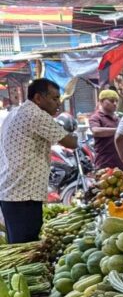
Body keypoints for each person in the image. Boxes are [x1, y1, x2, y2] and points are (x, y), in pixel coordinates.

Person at [0, 79, 77, 243]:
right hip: (23, 195)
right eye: (54, 98)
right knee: (26, 247)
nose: (58, 103)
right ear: (38, 98)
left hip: (11, 192)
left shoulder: (16, 112)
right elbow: (70, 143)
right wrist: (75, 136)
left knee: (19, 245)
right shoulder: (36, 115)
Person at [89, 89, 123, 170]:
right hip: (105, 164)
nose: (115, 104)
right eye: (111, 101)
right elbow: (96, 131)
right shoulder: (96, 117)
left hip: (121, 164)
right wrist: (118, 130)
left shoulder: (118, 119)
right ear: (101, 102)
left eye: (116, 101)